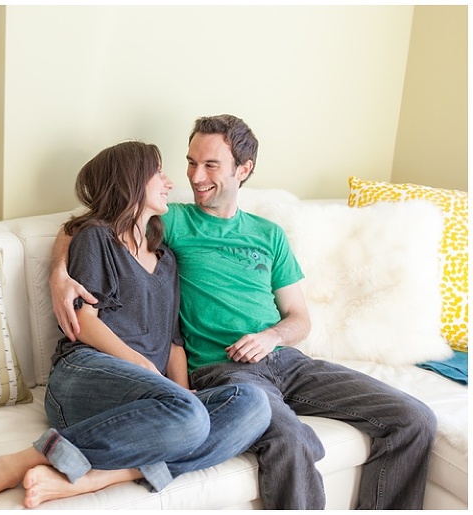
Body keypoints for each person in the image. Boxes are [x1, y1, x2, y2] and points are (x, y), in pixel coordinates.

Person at [50, 115, 438, 510]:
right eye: (190, 162)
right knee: (291, 439)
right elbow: (95, 219)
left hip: (288, 361)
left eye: (210, 165)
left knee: (415, 419)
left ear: (244, 169)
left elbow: (299, 318)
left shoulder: (269, 234)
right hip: (225, 369)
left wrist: (272, 337)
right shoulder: (172, 220)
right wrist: (58, 274)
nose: (194, 176)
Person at [0, 140, 271, 510]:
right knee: (189, 417)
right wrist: (145, 370)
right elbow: (83, 323)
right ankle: (12, 465)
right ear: (133, 181)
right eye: (159, 173)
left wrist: (185, 399)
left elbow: (173, 345)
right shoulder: (96, 238)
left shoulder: (166, 259)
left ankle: (109, 474)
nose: (171, 181)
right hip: (85, 377)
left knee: (254, 405)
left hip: (148, 400)